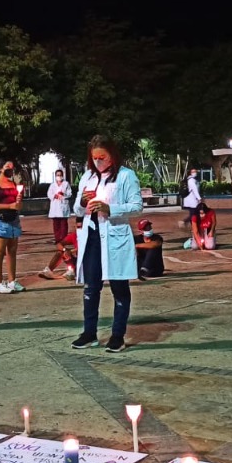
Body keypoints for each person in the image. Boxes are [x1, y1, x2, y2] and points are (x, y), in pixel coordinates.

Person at [72, 135, 144, 353]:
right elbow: (76, 209)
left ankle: (117, 335)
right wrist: (83, 202)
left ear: (112, 155)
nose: (98, 162)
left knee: (119, 286)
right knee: (91, 287)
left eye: (102, 157)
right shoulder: (87, 176)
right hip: (92, 237)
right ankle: (89, 333)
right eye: (94, 158)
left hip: (115, 236)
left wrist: (110, 208)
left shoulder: (125, 176)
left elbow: (137, 206)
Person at [0, 159, 25, 294]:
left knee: (12, 251)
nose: (10, 169)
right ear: (0, 168)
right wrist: (9, 206)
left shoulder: (13, 183)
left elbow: (18, 205)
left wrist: (18, 203)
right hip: (0, 220)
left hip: (13, 219)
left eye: (12, 167)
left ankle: (12, 281)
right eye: (7, 167)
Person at [47, 169, 71, 244]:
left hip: (63, 206)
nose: (59, 176)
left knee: (63, 225)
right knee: (56, 224)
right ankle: (57, 239)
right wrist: (54, 196)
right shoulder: (52, 185)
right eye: (57, 175)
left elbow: (69, 193)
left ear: (62, 176)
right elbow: (49, 194)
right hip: (55, 206)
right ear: (55, 176)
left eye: (60, 175)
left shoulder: (66, 184)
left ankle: (63, 239)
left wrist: (63, 194)